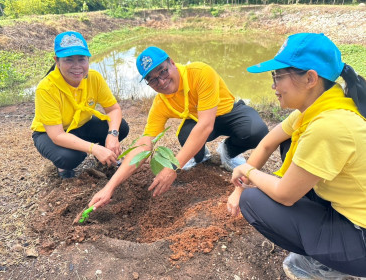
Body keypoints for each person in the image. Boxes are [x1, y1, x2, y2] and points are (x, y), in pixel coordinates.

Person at [227, 33, 366, 278]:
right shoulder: (323, 105)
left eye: (278, 77)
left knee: (254, 200)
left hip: (361, 237)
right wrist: (238, 187)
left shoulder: (328, 125)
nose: (273, 86)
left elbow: (285, 195)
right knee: (290, 143)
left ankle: (327, 266)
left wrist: (246, 172)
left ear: (310, 78)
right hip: (353, 208)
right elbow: (268, 143)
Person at [88, 46, 268, 208]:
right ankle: (200, 156)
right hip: (199, 119)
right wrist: (109, 187)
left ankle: (228, 150)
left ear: (172, 63)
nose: (162, 81)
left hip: (227, 111)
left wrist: (173, 167)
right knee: (186, 135)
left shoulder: (200, 72)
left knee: (256, 131)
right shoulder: (160, 103)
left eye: (163, 72)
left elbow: (206, 125)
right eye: (153, 80)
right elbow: (144, 143)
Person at [31, 31, 129, 179]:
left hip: (81, 124)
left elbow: (113, 109)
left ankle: (104, 155)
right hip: (50, 133)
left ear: (88, 60)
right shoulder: (46, 89)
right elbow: (57, 135)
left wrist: (112, 135)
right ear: (57, 61)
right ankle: (64, 167)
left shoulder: (94, 78)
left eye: (81, 59)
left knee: (121, 127)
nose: (77, 66)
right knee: (70, 157)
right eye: (69, 60)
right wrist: (93, 148)